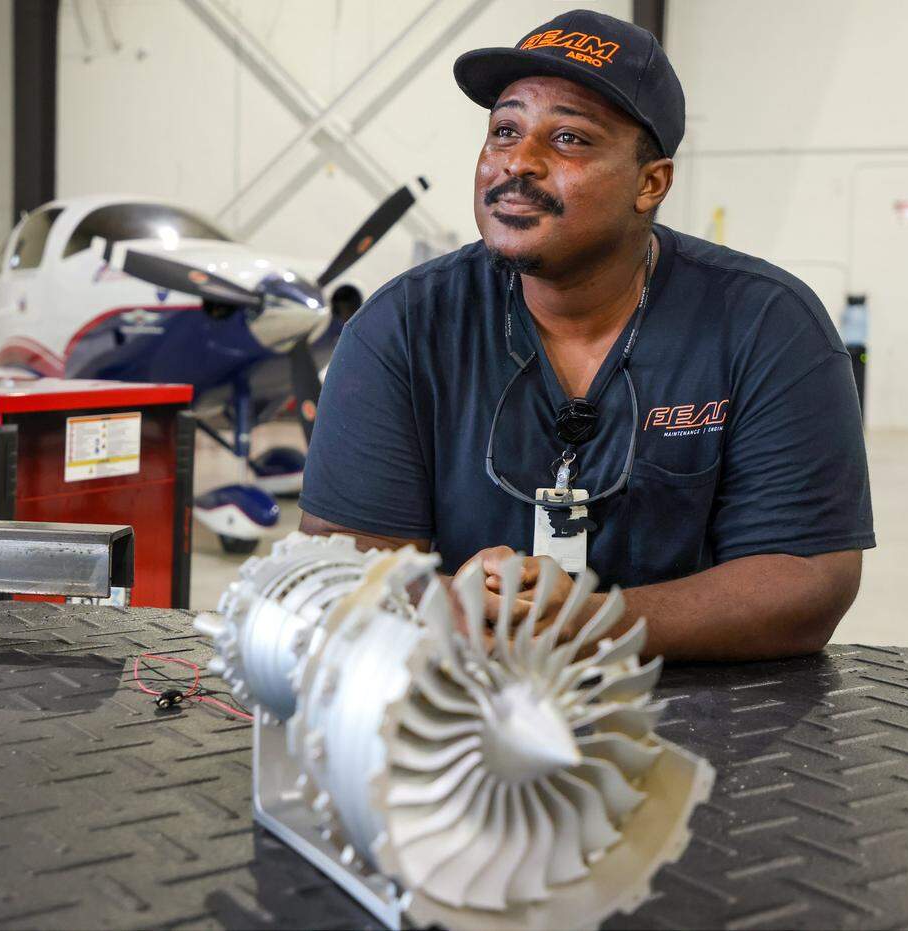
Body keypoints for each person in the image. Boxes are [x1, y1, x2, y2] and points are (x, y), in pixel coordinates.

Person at [298, 9, 875, 661]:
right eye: (504, 130)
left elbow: (807, 580)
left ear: (650, 183)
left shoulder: (768, 327)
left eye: (569, 138)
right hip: (469, 710)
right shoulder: (403, 326)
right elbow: (343, 557)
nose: (518, 163)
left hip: (708, 713)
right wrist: (453, 605)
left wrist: (594, 621)